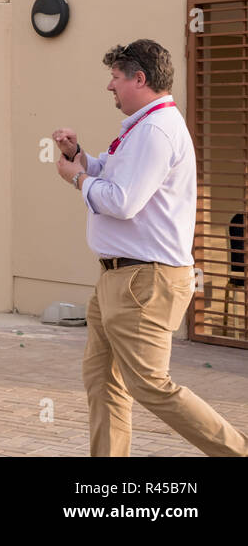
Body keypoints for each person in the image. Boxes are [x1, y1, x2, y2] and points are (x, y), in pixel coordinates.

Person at [53, 40, 248, 457]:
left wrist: (75, 179)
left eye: (116, 77)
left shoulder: (156, 131)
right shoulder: (143, 127)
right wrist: (79, 157)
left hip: (143, 280)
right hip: (119, 278)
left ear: (139, 79)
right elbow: (109, 171)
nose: (110, 87)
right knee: (103, 379)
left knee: (150, 385)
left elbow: (123, 202)